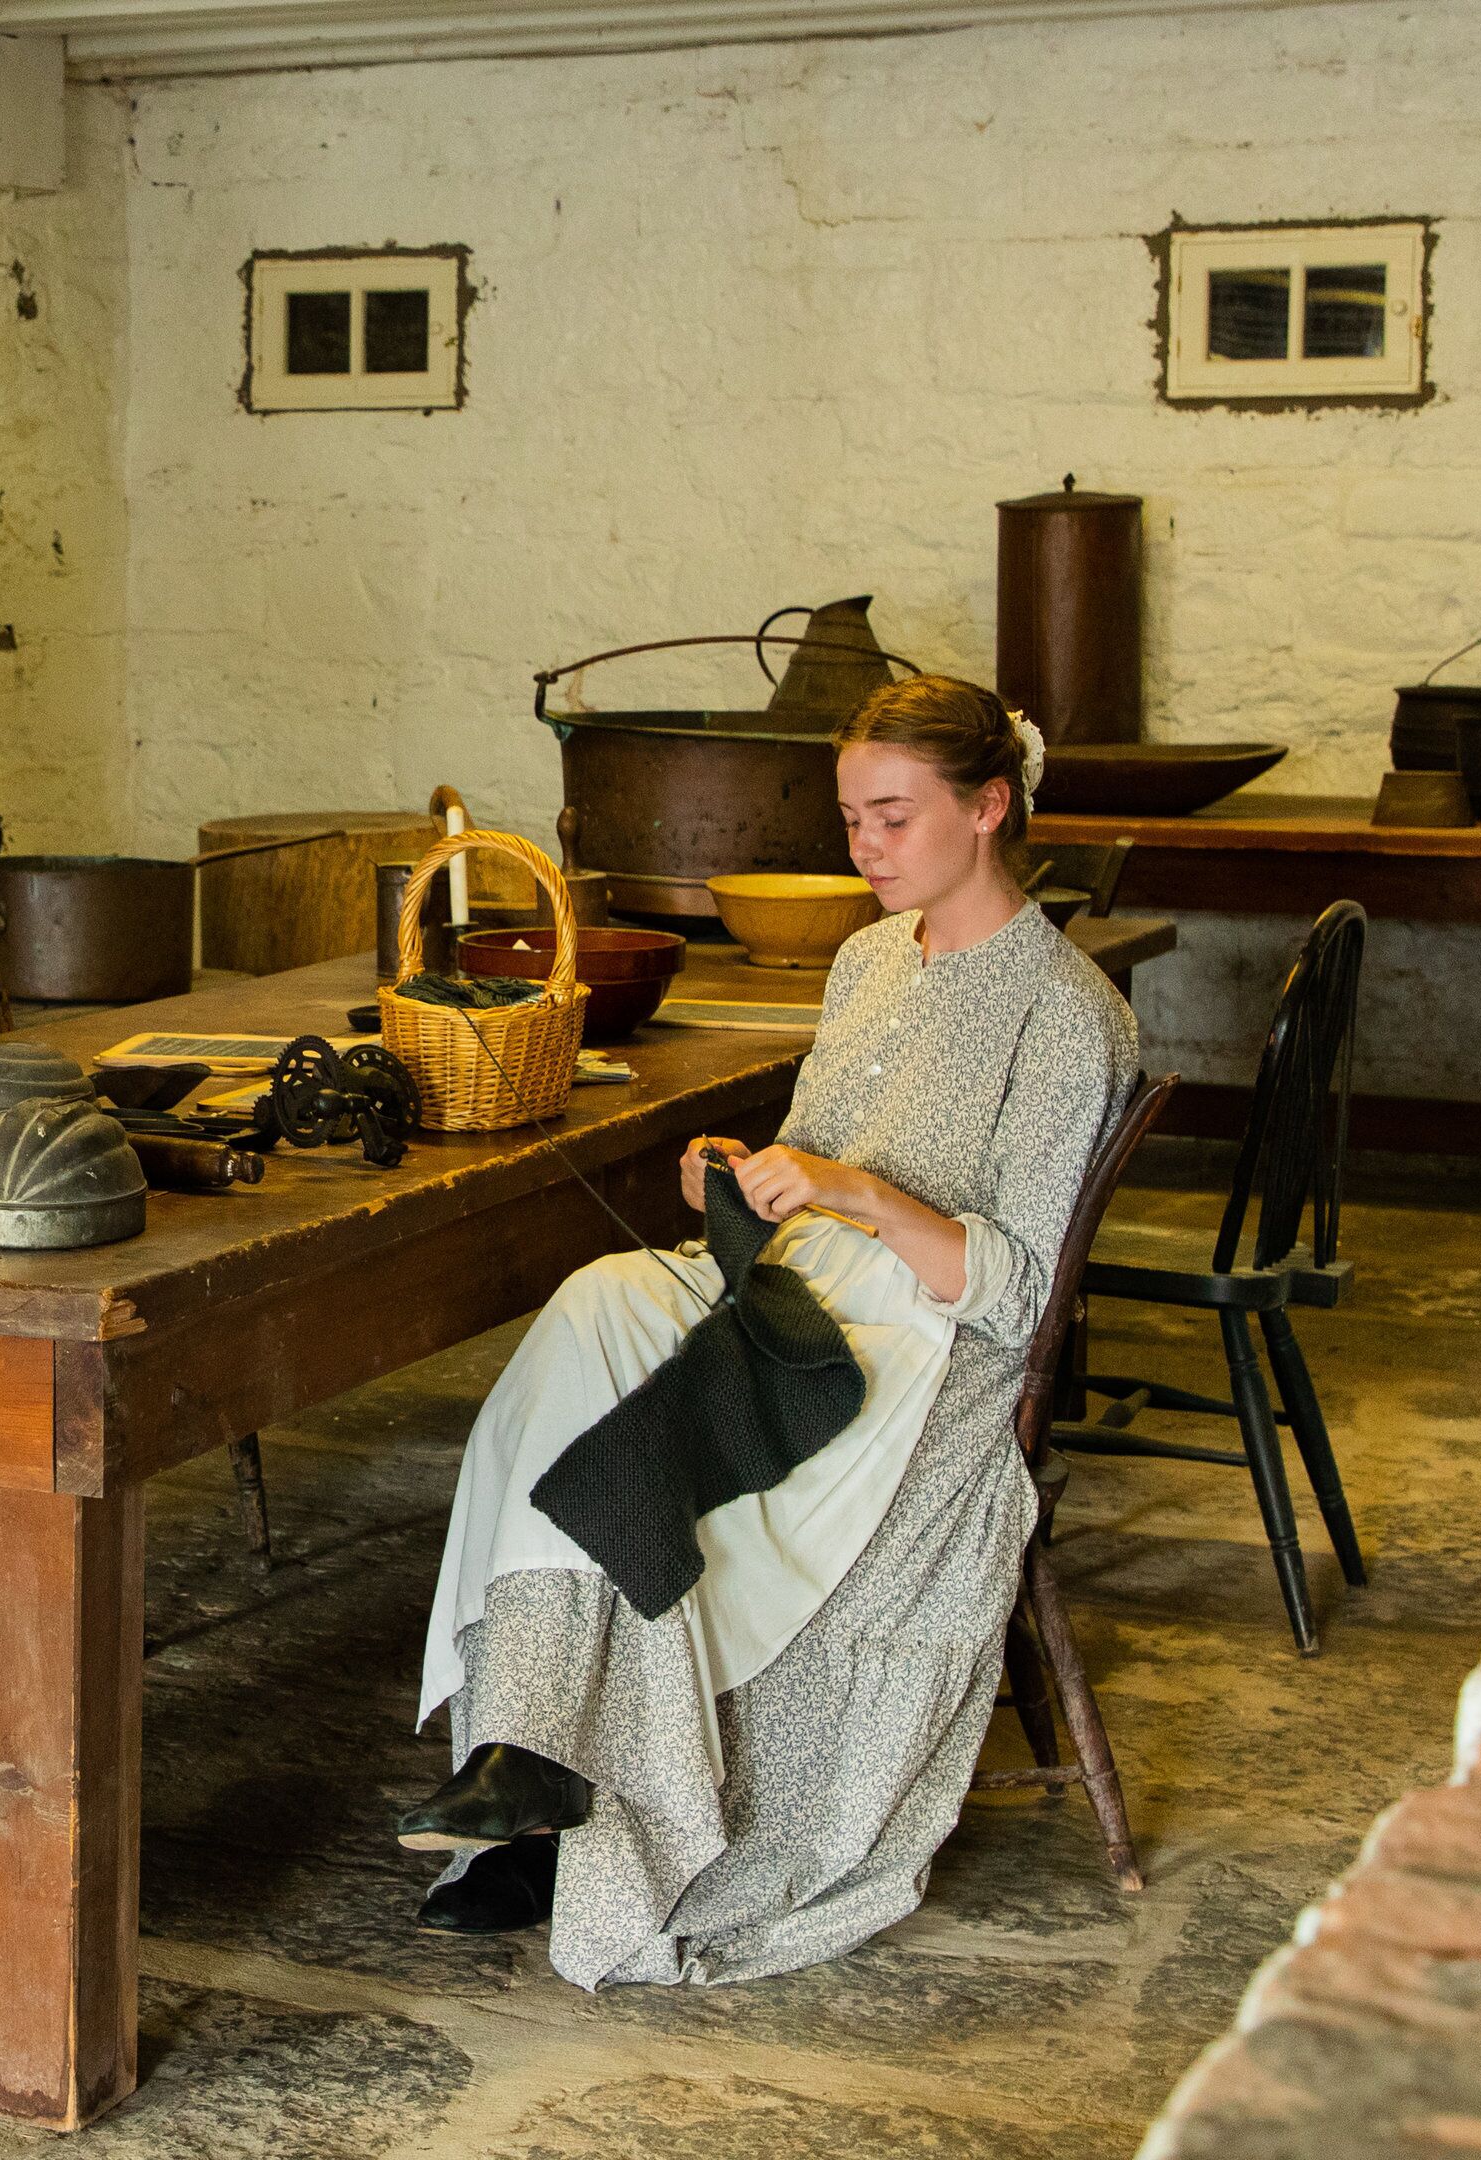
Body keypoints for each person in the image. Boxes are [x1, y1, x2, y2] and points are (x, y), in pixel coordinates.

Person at [402, 673, 1138, 1987]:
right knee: (591, 1309)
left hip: (916, 1356)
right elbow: (817, 1154)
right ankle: (526, 1757)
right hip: (792, 1289)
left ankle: (545, 1781)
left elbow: (1018, 1293)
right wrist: (745, 1173)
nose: (863, 848)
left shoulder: (1066, 1014)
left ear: (988, 809)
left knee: (625, 1404)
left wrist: (853, 1191)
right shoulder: (866, 961)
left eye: (892, 819)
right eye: (852, 818)